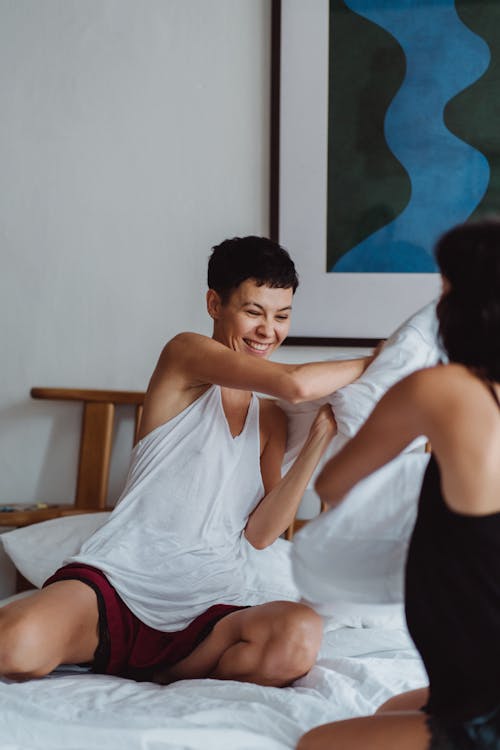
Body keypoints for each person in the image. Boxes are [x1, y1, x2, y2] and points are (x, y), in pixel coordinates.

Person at [0, 235, 371, 687]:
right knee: (13, 645)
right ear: (215, 304)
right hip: (118, 583)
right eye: (253, 312)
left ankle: (165, 670)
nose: (268, 330)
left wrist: (316, 440)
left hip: (208, 602)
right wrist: (387, 359)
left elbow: (260, 535)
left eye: (282, 316)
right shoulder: (185, 356)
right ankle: (123, 655)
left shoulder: (272, 418)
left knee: (299, 634)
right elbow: (295, 384)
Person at [297, 217, 500, 750]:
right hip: (472, 673)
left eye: (444, 287)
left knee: (315, 745)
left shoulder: (441, 389)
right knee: (391, 708)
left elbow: (334, 484)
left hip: (484, 684)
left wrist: (390, 367)